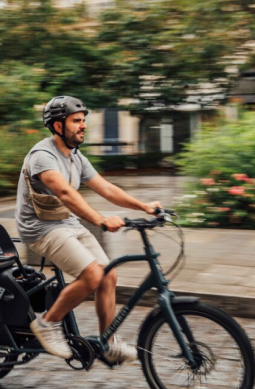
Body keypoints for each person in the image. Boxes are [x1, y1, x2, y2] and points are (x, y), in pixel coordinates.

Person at [15, 95, 161, 364]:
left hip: (66, 224)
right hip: (40, 229)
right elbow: (64, 192)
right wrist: (100, 220)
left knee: (108, 275)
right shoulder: (42, 156)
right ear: (58, 126)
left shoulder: (75, 157)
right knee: (93, 275)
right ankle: (47, 323)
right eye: (76, 121)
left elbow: (106, 188)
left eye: (83, 121)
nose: (83, 126)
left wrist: (144, 207)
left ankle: (107, 341)